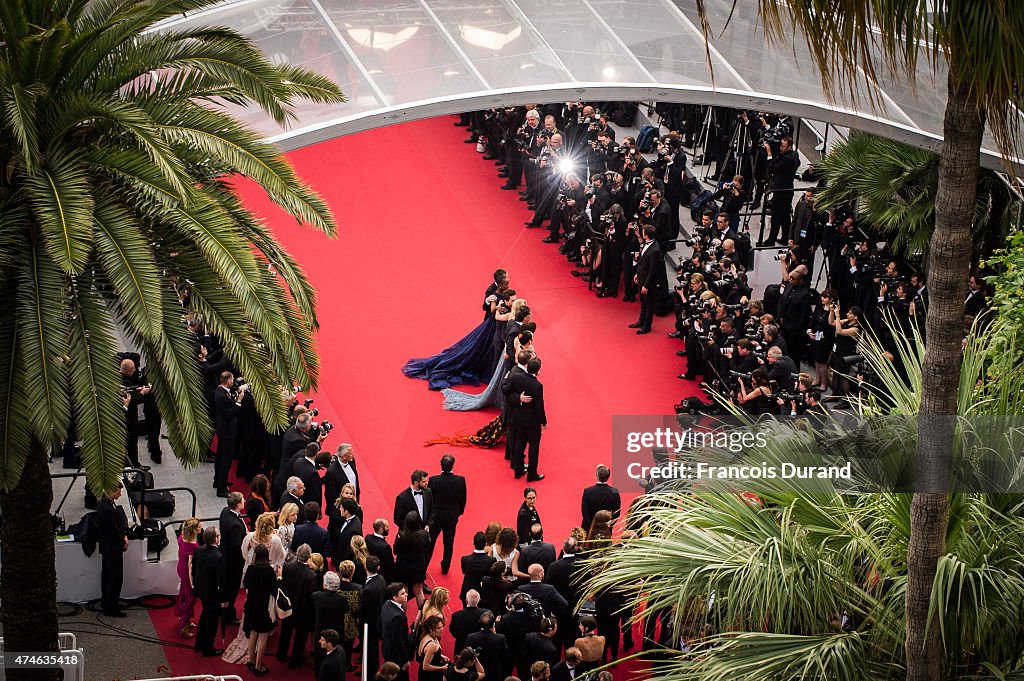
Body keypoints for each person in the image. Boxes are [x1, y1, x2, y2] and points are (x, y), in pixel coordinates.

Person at [403, 289, 505, 391]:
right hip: (491, 326)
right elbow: (490, 310)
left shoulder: (503, 293)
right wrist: (494, 305)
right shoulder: (492, 292)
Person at [502, 357, 547, 481]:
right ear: (538, 370)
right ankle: (532, 474)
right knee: (534, 446)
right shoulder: (537, 385)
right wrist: (543, 422)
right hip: (532, 422)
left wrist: (517, 398)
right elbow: (539, 406)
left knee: (519, 443)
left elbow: (506, 390)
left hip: (518, 419)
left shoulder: (517, 377)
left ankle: (518, 469)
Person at [277, 544, 318, 668]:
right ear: (309, 557)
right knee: (300, 637)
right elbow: (312, 596)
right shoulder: (312, 575)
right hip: (303, 611)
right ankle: (295, 660)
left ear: (297, 555)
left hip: (288, 607)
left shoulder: (288, 567)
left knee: (285, 632)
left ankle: (281, 654)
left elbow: (283, 585)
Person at [243, 543, 279, 675]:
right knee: (263, 636)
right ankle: (258, 666)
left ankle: (251, 660)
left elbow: (245, 583)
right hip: (264, 607)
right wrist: (279, 577)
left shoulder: (251, 568)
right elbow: (274, 590)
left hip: (252, 605)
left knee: (253, 632)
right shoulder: (269, 571)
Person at [429, 454, 468, 575]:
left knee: (431, 541)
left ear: (441, 465)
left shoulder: (433, 480)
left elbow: (430, 499)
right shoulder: (460, 480)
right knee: (449, 542)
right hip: (451, 517)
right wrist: (458, 512)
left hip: (436, 517)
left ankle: (425, 564)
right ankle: (445, 567)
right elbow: (463, 499)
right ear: (453, 466)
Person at [192, 526, 227, 657]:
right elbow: (221, 581)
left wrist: (196, 587)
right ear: (216, 539)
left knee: (204, 615)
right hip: (212, 594)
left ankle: (199, 643)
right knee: (212, 621)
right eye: (218, 535)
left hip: (201, 590)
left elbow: (194, 570)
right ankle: (208, 648)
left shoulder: (199, 550)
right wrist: (224, 599)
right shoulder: (218, 556)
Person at [96, 485, 129, 617]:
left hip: (108, 547)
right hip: (112, 548)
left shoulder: (106, 504)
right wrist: (123, 542)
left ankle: (108, 602)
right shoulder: (107, 509)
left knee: (108, 575)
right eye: (118, 491)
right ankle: (111, 607)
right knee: (114, 577)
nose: (120, 494)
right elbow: (113, 531)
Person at [629, 225, 665, 335]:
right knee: (643, 302)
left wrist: (646, 285)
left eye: (643, 232)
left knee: (649, 304)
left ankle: (647, 326)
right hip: (641, 277)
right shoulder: (647, 244)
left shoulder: (655, 250)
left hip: (648, 282)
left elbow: (653, 270)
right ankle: (641, 320)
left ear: (646, 235)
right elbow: (643, 262)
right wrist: (637, 274)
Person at [214, 370, 246, 496]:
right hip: (227, 431)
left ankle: (218, 481)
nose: (233, 382)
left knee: (220, 456)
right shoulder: (222, 396)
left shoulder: (221, 391)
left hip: (223, 429)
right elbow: (230, 413)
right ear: (228, 381)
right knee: (225, 459)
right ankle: (221, 488)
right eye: (232, 380)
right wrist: (239, 401)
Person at [313, 572, 350, 676]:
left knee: (319, 658)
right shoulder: (343, 599)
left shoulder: (316, 596)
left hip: (321, 632)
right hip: (337, 632)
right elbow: (347, 610)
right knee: (336, 658)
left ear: (325, 585)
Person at [219, 491, 247, 623]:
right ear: (237, 504)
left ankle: (224, 610)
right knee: (232, 587)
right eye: (242, 500)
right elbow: (237, 545)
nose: (245, 501)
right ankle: (229, 615)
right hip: (233, 561)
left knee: (226, 586)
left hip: (225, 555)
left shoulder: (225, 512)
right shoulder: (235, 525)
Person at [394, 511, 431, 609]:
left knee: (404, 592)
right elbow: (427, 547)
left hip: (404, 566)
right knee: (419, 591)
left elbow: (396, 551)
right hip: (418, 565)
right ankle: (423, 617)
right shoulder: (424, 535)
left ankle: (402, 617)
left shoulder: (401, 535)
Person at [175, 517, 202, 638]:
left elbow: (179, 552)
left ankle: (186, 619)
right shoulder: (191, 545)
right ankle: (183, 628)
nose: (201, 528)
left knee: (184, 595)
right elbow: (190, 566)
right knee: (191, 598)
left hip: (181, 567)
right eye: (199, 527)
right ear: (194, 530)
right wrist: (192, 584)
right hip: (187, 573)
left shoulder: (182, 537)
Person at [380, 583, 412, 681]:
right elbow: (398, 642)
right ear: (394, 597)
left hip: (387, 648)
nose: (406, 594)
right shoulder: (397, 616)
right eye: (402, 594)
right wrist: (405, 660)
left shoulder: (386, 604)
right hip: (396, 657)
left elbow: (379, 624)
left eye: (405, 592)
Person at [362, 556, 387, 678]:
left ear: (365, 566)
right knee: (373, 645)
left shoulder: (368, 589)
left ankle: (369, 671)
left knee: (369, 647)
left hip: (368, 622)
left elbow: (364, 608)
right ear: (378, 568)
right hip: (377, 618)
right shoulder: (381, 579)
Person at [465, 610, 507, 681]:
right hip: (494, 674)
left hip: (477, 673)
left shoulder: (471, 637)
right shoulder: (500, 638)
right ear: (493, 625)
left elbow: (467, 654)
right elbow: (504, 656)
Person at [460, 532, 497, 606]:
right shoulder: (491, 560)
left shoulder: (465, 559)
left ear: (473, 543)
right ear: (486, 543)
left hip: (468, 590)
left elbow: (464, 572)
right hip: (484, 591)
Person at [580, 464, 621, 531]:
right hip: (606, 529)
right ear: (608, 476)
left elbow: (585, 512)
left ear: (597, 475)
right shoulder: (614, 492)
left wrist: (592, 526)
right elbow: (616, 513)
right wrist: (610, 524)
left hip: (589, 529)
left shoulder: (588, 491)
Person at [329, 498, 364, 568]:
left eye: (341, 508)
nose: (340, 509)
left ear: (346, 511)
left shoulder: (353, 530)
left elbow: (350, 552)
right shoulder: (353, 519)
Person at [325, 444, 359, 511]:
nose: (352, 455)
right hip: (342, 509)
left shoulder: (351, 461)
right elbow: (330, 495)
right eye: (350, 453)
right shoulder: (331, 472)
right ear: (344, 457)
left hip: (354, 503)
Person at [450, 590, 485, 654]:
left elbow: (453, 631)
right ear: (479, 600)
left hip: (461, 648)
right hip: (480, 648)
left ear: (466, 600)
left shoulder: (456, 616)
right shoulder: (485, 614)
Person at [417, 615, 450, 681]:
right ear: (430, 629)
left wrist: (440, 655)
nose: (441, 630)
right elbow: (425, 666)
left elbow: (426, 654)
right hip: (430, 676)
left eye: (442, 626)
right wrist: (441, 668)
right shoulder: (432, 645)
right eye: (438, 628)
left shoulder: (427, 636)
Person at [366, 518, 396, 584]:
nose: (389, 528)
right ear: (381, 530)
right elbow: (390, 565)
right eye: (387, 527)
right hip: (384, 577)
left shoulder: (367, 538)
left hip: (371, 570)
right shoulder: (385, 547)